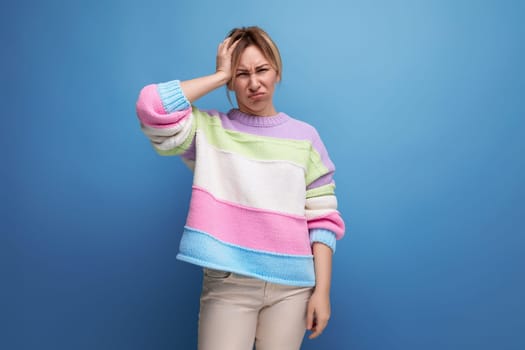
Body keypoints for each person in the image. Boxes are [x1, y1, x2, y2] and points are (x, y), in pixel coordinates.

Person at [135, 26, 345, 350]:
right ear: (232, 82)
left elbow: (323, 220)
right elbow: (153, 107)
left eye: (262, 70)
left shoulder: (306, 139)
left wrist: (322, 291)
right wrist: (219, 75)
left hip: (292, 287)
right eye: (241, 74)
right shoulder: (210, 130)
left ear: (277, 71)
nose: (254, 82)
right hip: (229, 283)